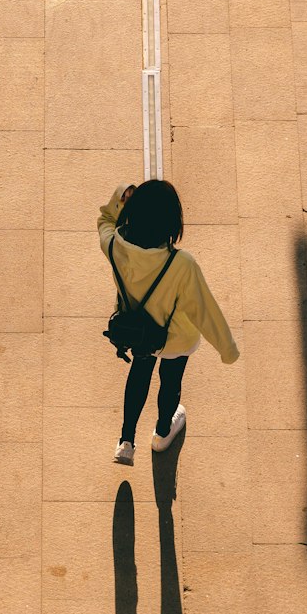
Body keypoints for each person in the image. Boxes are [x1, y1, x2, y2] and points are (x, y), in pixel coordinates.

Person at [99, 179, 239, 466]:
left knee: (139, 374)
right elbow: (205, 311)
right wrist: (228, 350)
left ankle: (126, 441)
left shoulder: (114, 246)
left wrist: (121, 195)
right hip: (175, 339)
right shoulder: (182, 264)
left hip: (137, 331)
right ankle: (163, 433)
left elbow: (105, 218)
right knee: (171, 382)